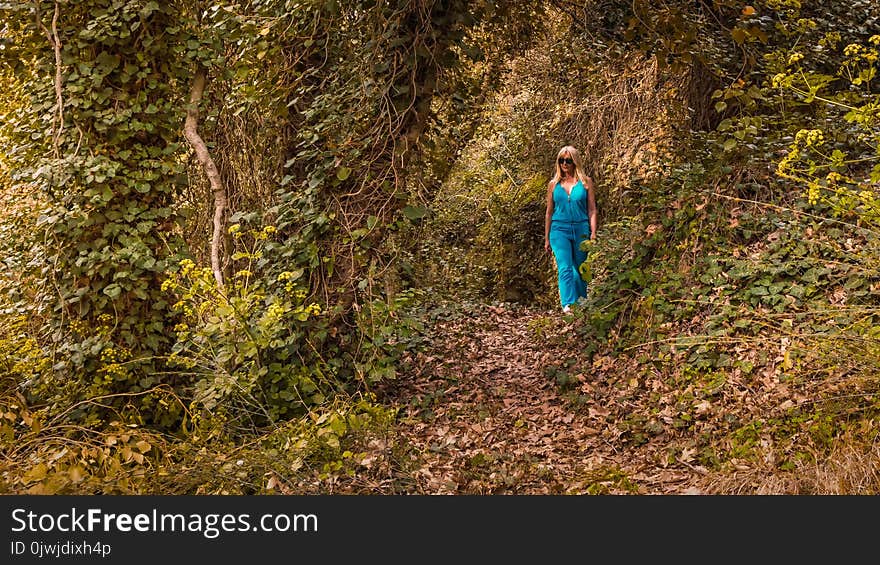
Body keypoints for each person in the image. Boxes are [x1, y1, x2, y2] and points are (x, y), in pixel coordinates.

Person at [544, 145, 597, 313]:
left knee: (580, 268)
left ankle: (582, 302)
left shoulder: (586, 182)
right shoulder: (553, 185)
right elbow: (549, 212)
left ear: (575, 162)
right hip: (559, 230)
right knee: (565, 267)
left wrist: (593, 232)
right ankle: (568, 304)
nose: (564, 164)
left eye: (568, 160)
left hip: (581, 228)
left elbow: (592, 209)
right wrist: (546, 238)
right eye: (561, 160)